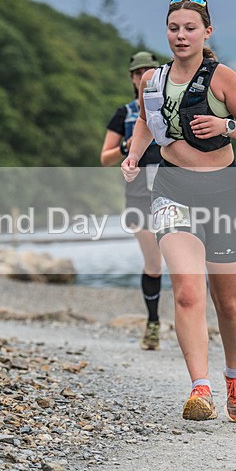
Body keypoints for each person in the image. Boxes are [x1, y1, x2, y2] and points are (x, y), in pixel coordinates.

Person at [122, 0, 236, 422]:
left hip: (225, 193)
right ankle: (199, 389)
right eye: (173, 28)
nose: (180, 36)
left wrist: (226, 125)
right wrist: (133, 157)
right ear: (166, 31)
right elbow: (148, 124)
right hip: (171, 189)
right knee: (188, 292)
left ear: (206, 32)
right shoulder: (154, 79)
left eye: (189, 28)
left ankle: (234, 377)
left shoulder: (223, 78)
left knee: (229, 303)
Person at [100, 50, 165, 350]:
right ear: (132, 78)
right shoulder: (124, 114)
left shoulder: (168, 107)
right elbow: (104, 158)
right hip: (138, 195)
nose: (143, 77)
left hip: (172, 190)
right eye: (138, 73)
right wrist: (128, 148)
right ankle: (153, 322)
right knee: (154, 263)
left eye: (149, 71)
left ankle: (192, 321)